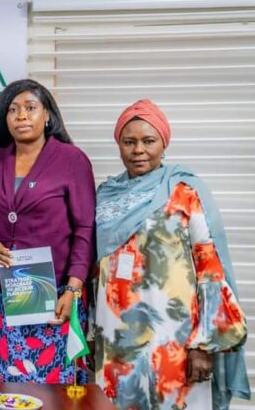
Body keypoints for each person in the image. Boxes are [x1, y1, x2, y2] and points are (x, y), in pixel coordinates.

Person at [93, 99, 249, 410]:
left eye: (148, 141)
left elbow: (210, 271)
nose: (139, 150)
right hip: (115, 340)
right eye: (129, 142)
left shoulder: (185, 191)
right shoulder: (105, 196)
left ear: (164, 143)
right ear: (119, 145)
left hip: (174, 341)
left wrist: (203, 345)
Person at [0, 79, 95, 384]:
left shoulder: (71, 160)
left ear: (48, 116)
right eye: (13, 110)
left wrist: (73, 288)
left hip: (53, 293)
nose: (21, 116)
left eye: (30, 108)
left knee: (52, 386)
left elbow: (85, 228)